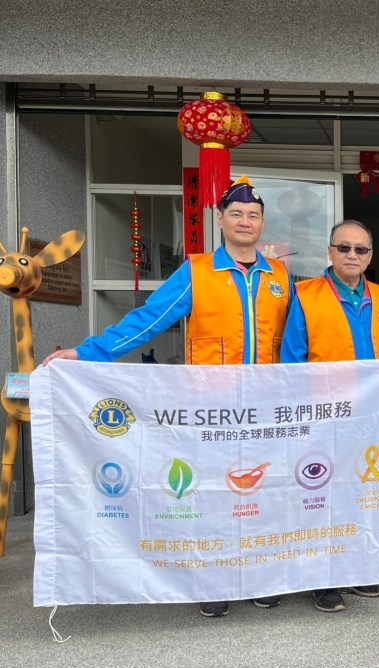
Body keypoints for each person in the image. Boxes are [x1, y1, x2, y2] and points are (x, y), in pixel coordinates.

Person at [43, 176, 295, 618]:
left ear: (262, 223)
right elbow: (147, 320)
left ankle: (259, 574)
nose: (245, 221)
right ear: (221, 220)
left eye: (253, 215)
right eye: (236, 214)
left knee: (263, 492)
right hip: (211, 409)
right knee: (214, 493)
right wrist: (87, 353)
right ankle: (216, 579)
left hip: (264, 409)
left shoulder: (279, 275)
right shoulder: (197, 272)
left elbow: (296, 339)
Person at [281, 219, 379, 612]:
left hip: (368, 418)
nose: (352, 255)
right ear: (330, 252)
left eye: (360, 249)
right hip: (322, 418)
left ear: (370, 256)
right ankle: (321, 578)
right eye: (343, 248)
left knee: (362, 495)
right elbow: (291, 361)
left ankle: (356, 569)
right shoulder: (306, 294)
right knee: (319, 498)